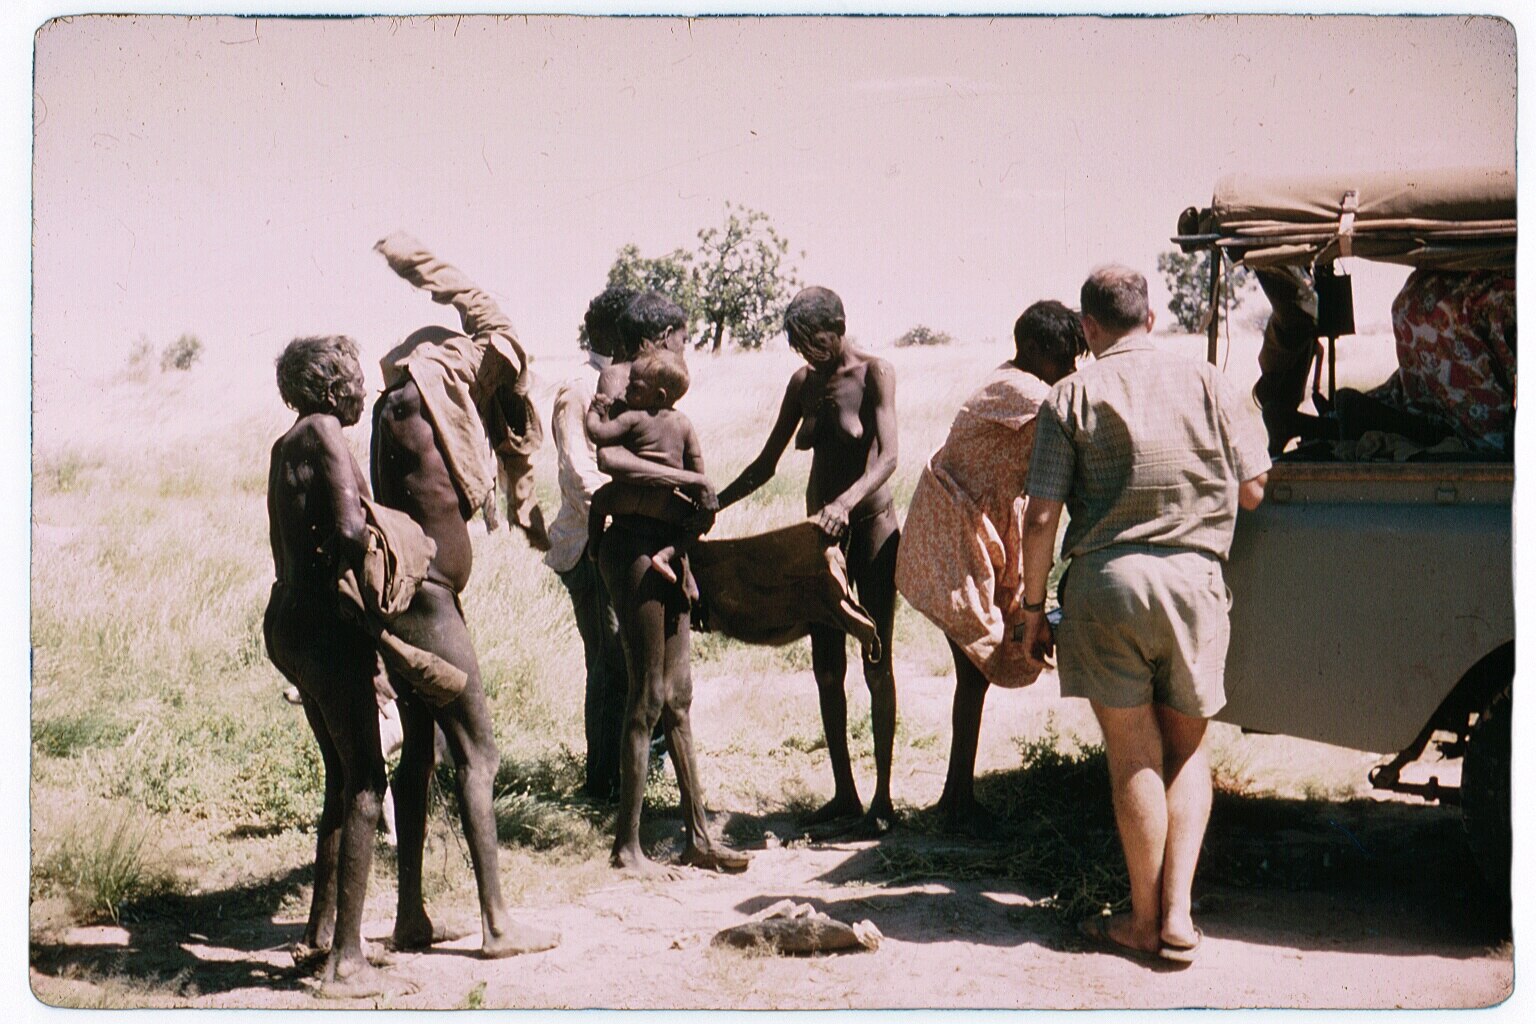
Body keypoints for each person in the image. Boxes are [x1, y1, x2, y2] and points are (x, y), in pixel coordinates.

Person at [1016, 265, 1270, 966]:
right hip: (1194, 584)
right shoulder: (1211, 381)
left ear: (1088, 328)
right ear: (1151, 318)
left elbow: (1040, 516)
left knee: (1133, 754)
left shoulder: (1069, 395)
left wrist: (1034, 609)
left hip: (1107, 589)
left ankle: (1141, 919)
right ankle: (1180, 916)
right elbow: (1254, 491)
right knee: (1187, 751)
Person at [372, 233, 559, 959]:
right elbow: (492, 324)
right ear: (451, 365)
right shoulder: (429, 395)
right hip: (430, 600)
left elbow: (511, 432)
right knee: (479, 754)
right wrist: (417, 261)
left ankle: (411, 916)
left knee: (420, 752)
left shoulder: (399, 409)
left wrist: (523, 498)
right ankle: (498, 925)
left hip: (415, 598)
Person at [894, 300, 1086, 837]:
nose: (1072, 368)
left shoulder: (1019, 383)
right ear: (1038, 351)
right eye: (1066, 357)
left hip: (976, 533)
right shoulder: (1022, 390)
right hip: (955, 535)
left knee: (973, 676)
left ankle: (957, 797)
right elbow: (1079, 418)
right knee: (973, 671)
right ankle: (956, 802)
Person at [718, 286, 900, 837]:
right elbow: (767, 463)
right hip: (820, 540)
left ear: (838, 327)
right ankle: (845, 794)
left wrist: (845, 504)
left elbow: (889, 456)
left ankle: (883, 800)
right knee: (827, 668)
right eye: (797, 345)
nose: (805, 354)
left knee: (876, 661)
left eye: (812, 342)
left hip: (871, 529)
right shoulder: (803, 384)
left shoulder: (875, 374)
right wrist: (715, 504)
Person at [595, 291, 748, 875]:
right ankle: (627, 846)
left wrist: (687, 524)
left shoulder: (665, 399)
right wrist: (681, 478)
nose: (686, 348)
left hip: (666, 549)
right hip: (634, 547)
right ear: (661, 336)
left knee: (678, 697)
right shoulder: (620, 380)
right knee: (647, 697)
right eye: (682, 337)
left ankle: (699, 838)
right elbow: (610, 462)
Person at [263, 335, 391, 997]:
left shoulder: (286, 443)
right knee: (366, 779)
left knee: (341, 776)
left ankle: (321, 935)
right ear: (334, 386)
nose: (365, 389)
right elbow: (348, 531)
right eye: (357, 378)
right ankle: (346, 962)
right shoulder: (325, 433)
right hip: (324, 626)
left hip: (288, 617)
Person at [544, 286, 636, 801]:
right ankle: (601, 784)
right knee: (608, 660)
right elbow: (579, 475)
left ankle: (623, 773)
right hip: (590, 544)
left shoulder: (617, 382)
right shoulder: (579, 388)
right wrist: (627, 519)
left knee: (622, 659)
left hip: (613, 539)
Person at [585, 346, 702, 595]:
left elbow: (598, 434)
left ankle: (593, 549)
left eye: (635, 387)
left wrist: (596, 412)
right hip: (664, 504)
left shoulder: (633, 418)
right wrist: (700, 505)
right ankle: (668, 555)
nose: (625, 391)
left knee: (598, 502)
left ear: (659, 396)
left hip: (627, 496)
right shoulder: (684, 424)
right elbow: (697, 468)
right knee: (695, 523)